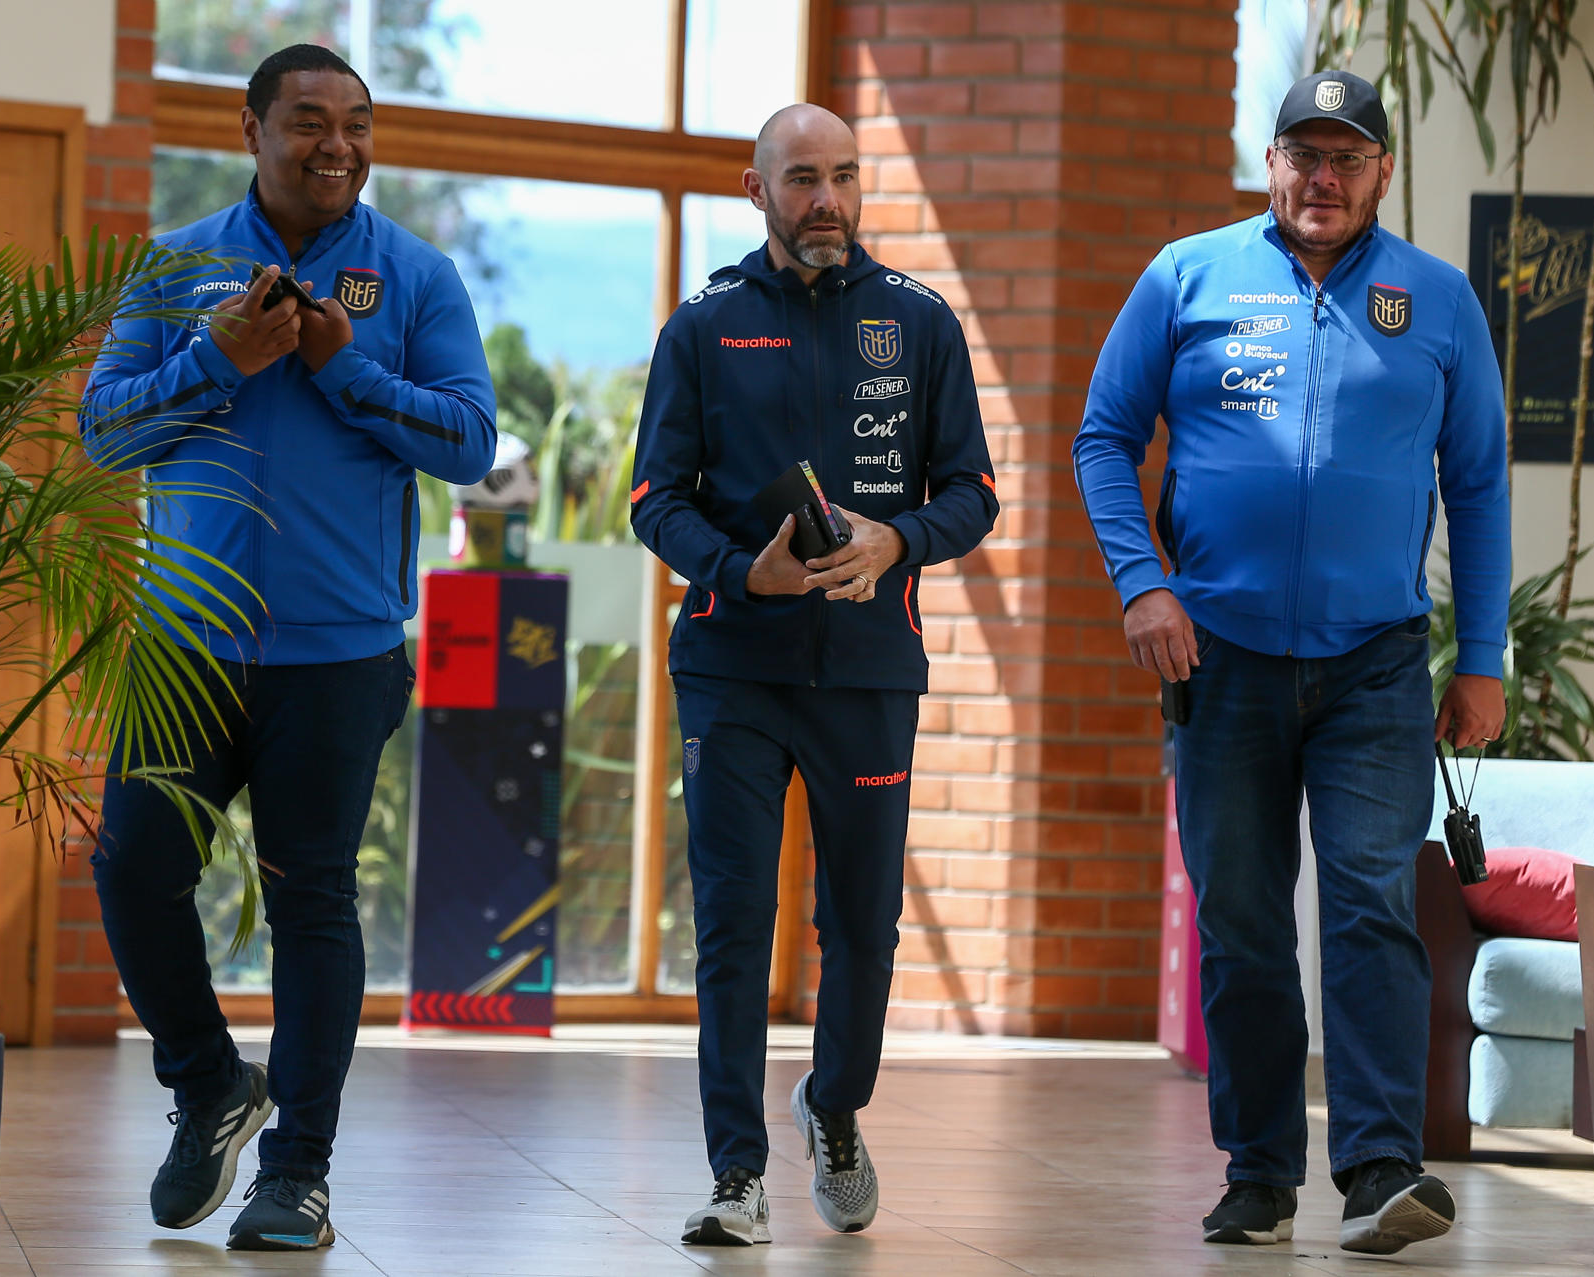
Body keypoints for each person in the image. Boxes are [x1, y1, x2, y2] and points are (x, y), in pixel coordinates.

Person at [1073, 70, 1510, 1256]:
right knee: (1248, 919)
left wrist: (1485, 656)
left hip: (1376, 662)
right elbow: (1103, 438)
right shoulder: (1187, 275)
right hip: (1218, 659)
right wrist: (1143, 583)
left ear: (1382, 174)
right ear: (1269, 165)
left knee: (1371, 904)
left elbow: (1475, 486)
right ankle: (1260, 1171)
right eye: (1303, 155)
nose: (1324, 179)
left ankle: (1379, 1169)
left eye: (1348, 158)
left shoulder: (1440, 301)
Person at [78, 44, 498, 1252]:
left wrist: (341, 368)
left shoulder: (415, 277)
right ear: (252, 128)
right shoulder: (178, 263)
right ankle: (208, 1080)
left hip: (340, 651)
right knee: (132, 865)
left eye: (357, 125)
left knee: (313, 898)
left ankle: (297, 1173)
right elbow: (105, 436)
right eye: (310, 121)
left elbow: (469, 440)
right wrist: (222, 357)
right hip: (185, 642)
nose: (339, 146)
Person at [630, 103, 998, 1246]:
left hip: (871, 674)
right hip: (733, 667)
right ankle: (735, 1173)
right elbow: (653, 499)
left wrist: (898, 541)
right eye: (801, 179)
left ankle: (833, 1107)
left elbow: (973, 490)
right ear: (758, 192)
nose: (825, 199)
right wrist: (749, 574)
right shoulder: (704, 325)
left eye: (842, 175)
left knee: (865, 924)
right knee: (735, 924)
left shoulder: (922, 321)